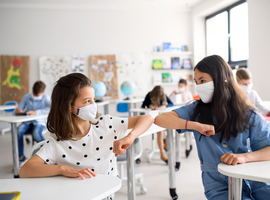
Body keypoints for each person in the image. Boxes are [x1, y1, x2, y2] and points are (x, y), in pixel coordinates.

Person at [155, 55, 270, 199]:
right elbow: (161, 119)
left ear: (221, 78)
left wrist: (244, 157)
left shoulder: (247, 112)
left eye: (203, 81)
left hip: (254, 179)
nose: (199, 86)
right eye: (196, 82)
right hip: (218, 184)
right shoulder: (195, 110)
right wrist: (195, 125)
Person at [19, 73, 154, 180]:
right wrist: (61, 169)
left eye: (93, 100)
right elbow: (25, 170)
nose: (93, 105)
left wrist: (130, 137)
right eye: (87, 101)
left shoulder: (106, 124)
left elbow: (147, 118)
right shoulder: (58, 141)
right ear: (68, 107)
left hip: (106, 194)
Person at [15, 81, 51, 163]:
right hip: (27, 121)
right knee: (19, 131)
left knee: (36, 133)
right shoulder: (26, 97)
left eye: (37, 95)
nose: (35, 96)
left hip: (39, 122)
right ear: (32, 89)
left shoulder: (46, 98)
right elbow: (19, 109)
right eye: (34, 94)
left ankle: (47, 154)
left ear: (43, 92)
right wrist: (17, 111)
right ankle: (21, 155)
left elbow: (51, 110)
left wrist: (36, 112)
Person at [141, 85, 174, 164]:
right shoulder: (149, 95)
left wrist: (164, 105)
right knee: (160, 131)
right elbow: (143, 106)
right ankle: (162, 154)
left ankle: (166, 145)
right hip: (151, 119)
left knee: (171, 127)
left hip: (160, 117)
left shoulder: (163, 94)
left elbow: (171, 104)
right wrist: (149, 106)